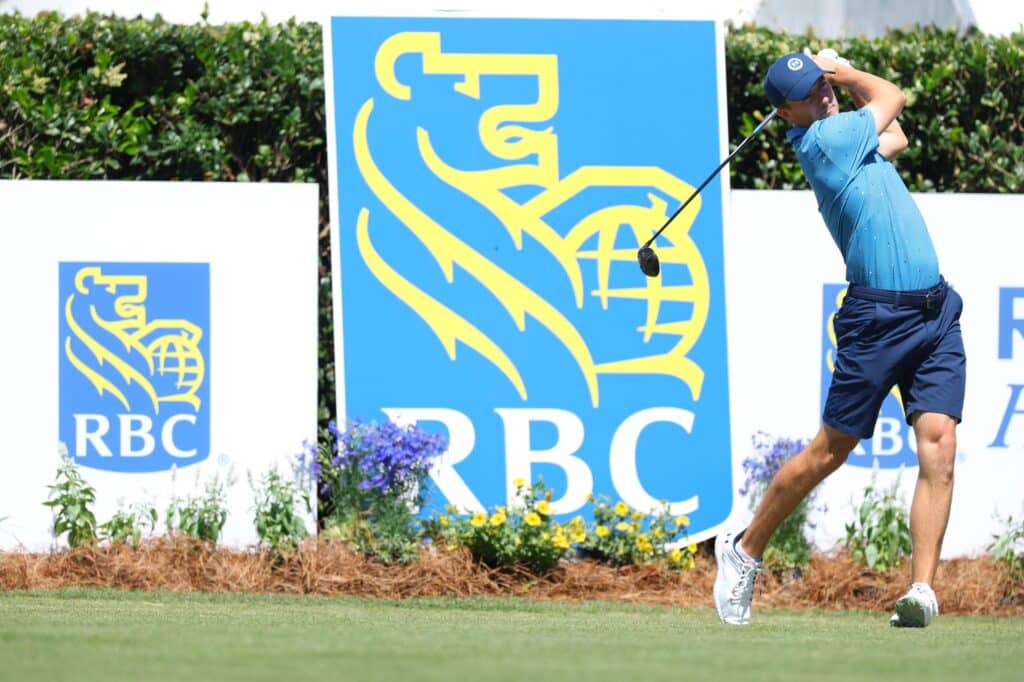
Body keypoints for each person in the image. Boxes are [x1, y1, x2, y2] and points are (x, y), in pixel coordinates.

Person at [713, 50, 966, 628]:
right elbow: (893, 98)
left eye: (824, 87)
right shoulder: (825, 143)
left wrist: (837, 81)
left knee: (940, 444)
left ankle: (921, 590)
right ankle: (745, 548)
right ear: (787, 114)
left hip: (935, 311)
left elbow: (893, 133)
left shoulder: (849, 136)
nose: (824, 95)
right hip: (877, 320)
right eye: (812, 93)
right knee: (830, 450)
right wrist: (846, 70)